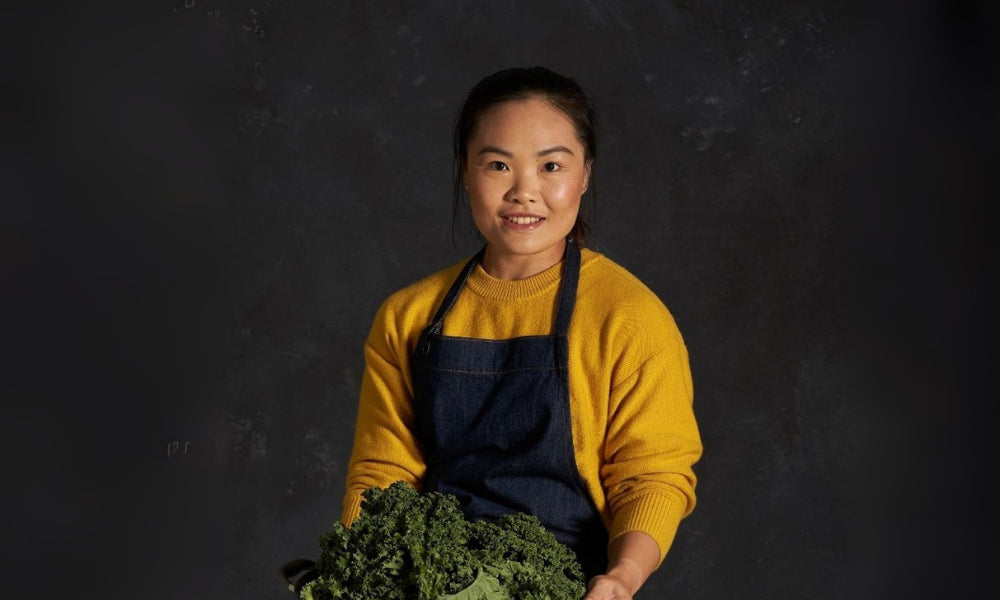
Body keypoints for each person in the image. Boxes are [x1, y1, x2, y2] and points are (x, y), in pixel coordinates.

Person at [340, 66, 702, 600]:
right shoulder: (407, 315)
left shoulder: (629, 316)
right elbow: (383, 470)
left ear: (585, 175)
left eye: (551, 165)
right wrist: (363, 576)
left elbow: (652, 476)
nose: (524, 192)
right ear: (466, 171)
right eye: (498, 165)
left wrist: (620, 580)